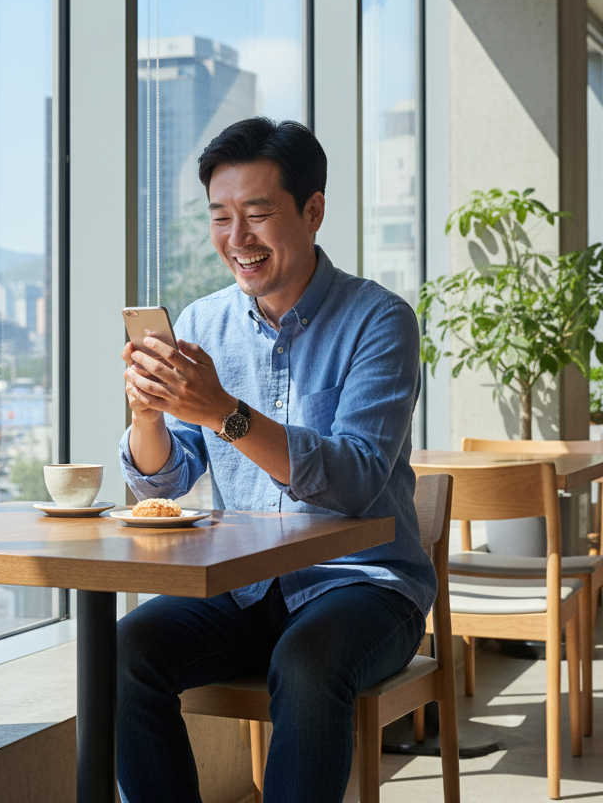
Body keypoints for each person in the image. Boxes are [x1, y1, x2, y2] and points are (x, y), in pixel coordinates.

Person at [117, 117, 436, 803]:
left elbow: (354, 480)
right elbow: (167, 479)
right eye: (221, 217)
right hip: (243, 588)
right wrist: (148, 415)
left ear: (313, 210)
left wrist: (224, 411)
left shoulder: (380, 320)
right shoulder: (202, 323)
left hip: (365, 587)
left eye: (258, 214)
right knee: (124, 652)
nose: (238, 238)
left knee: (309, 660)